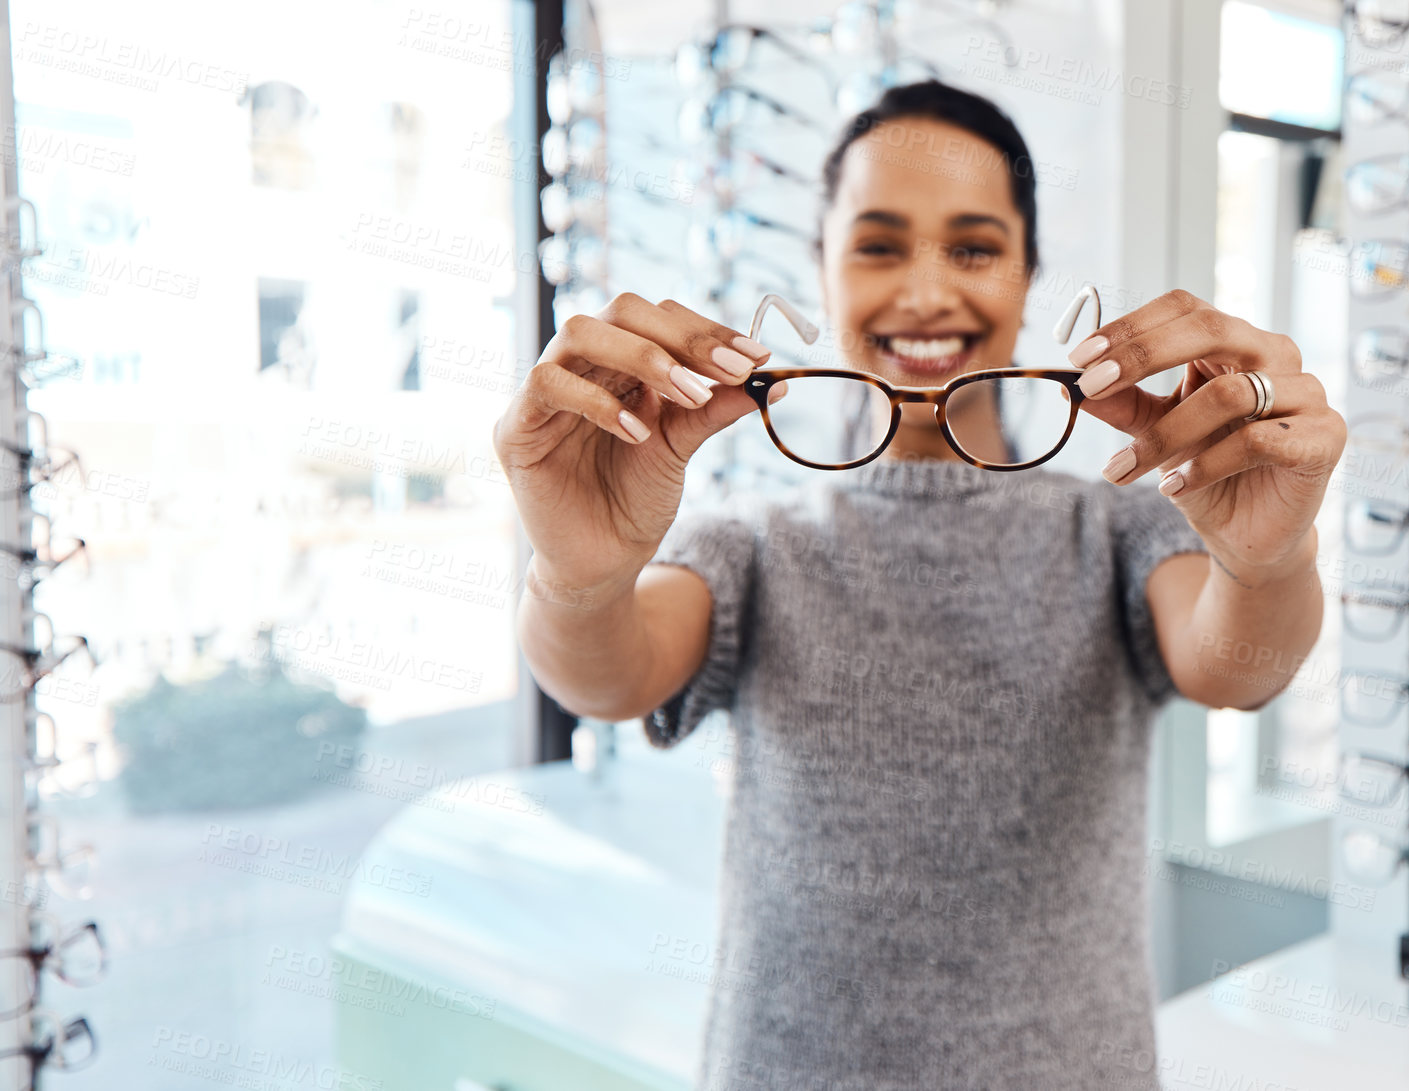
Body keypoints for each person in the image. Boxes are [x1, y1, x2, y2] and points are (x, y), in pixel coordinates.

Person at [494, 80, 1344, 1091]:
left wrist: (1266, 559)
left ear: (1029, 276)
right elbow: (606, 675)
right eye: (880, 243)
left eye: (975, 247)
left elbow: (1235, 666)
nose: (928, 290)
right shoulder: (755, 546)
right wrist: (579, 575)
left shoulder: (1116, 527)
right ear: (822, 267)